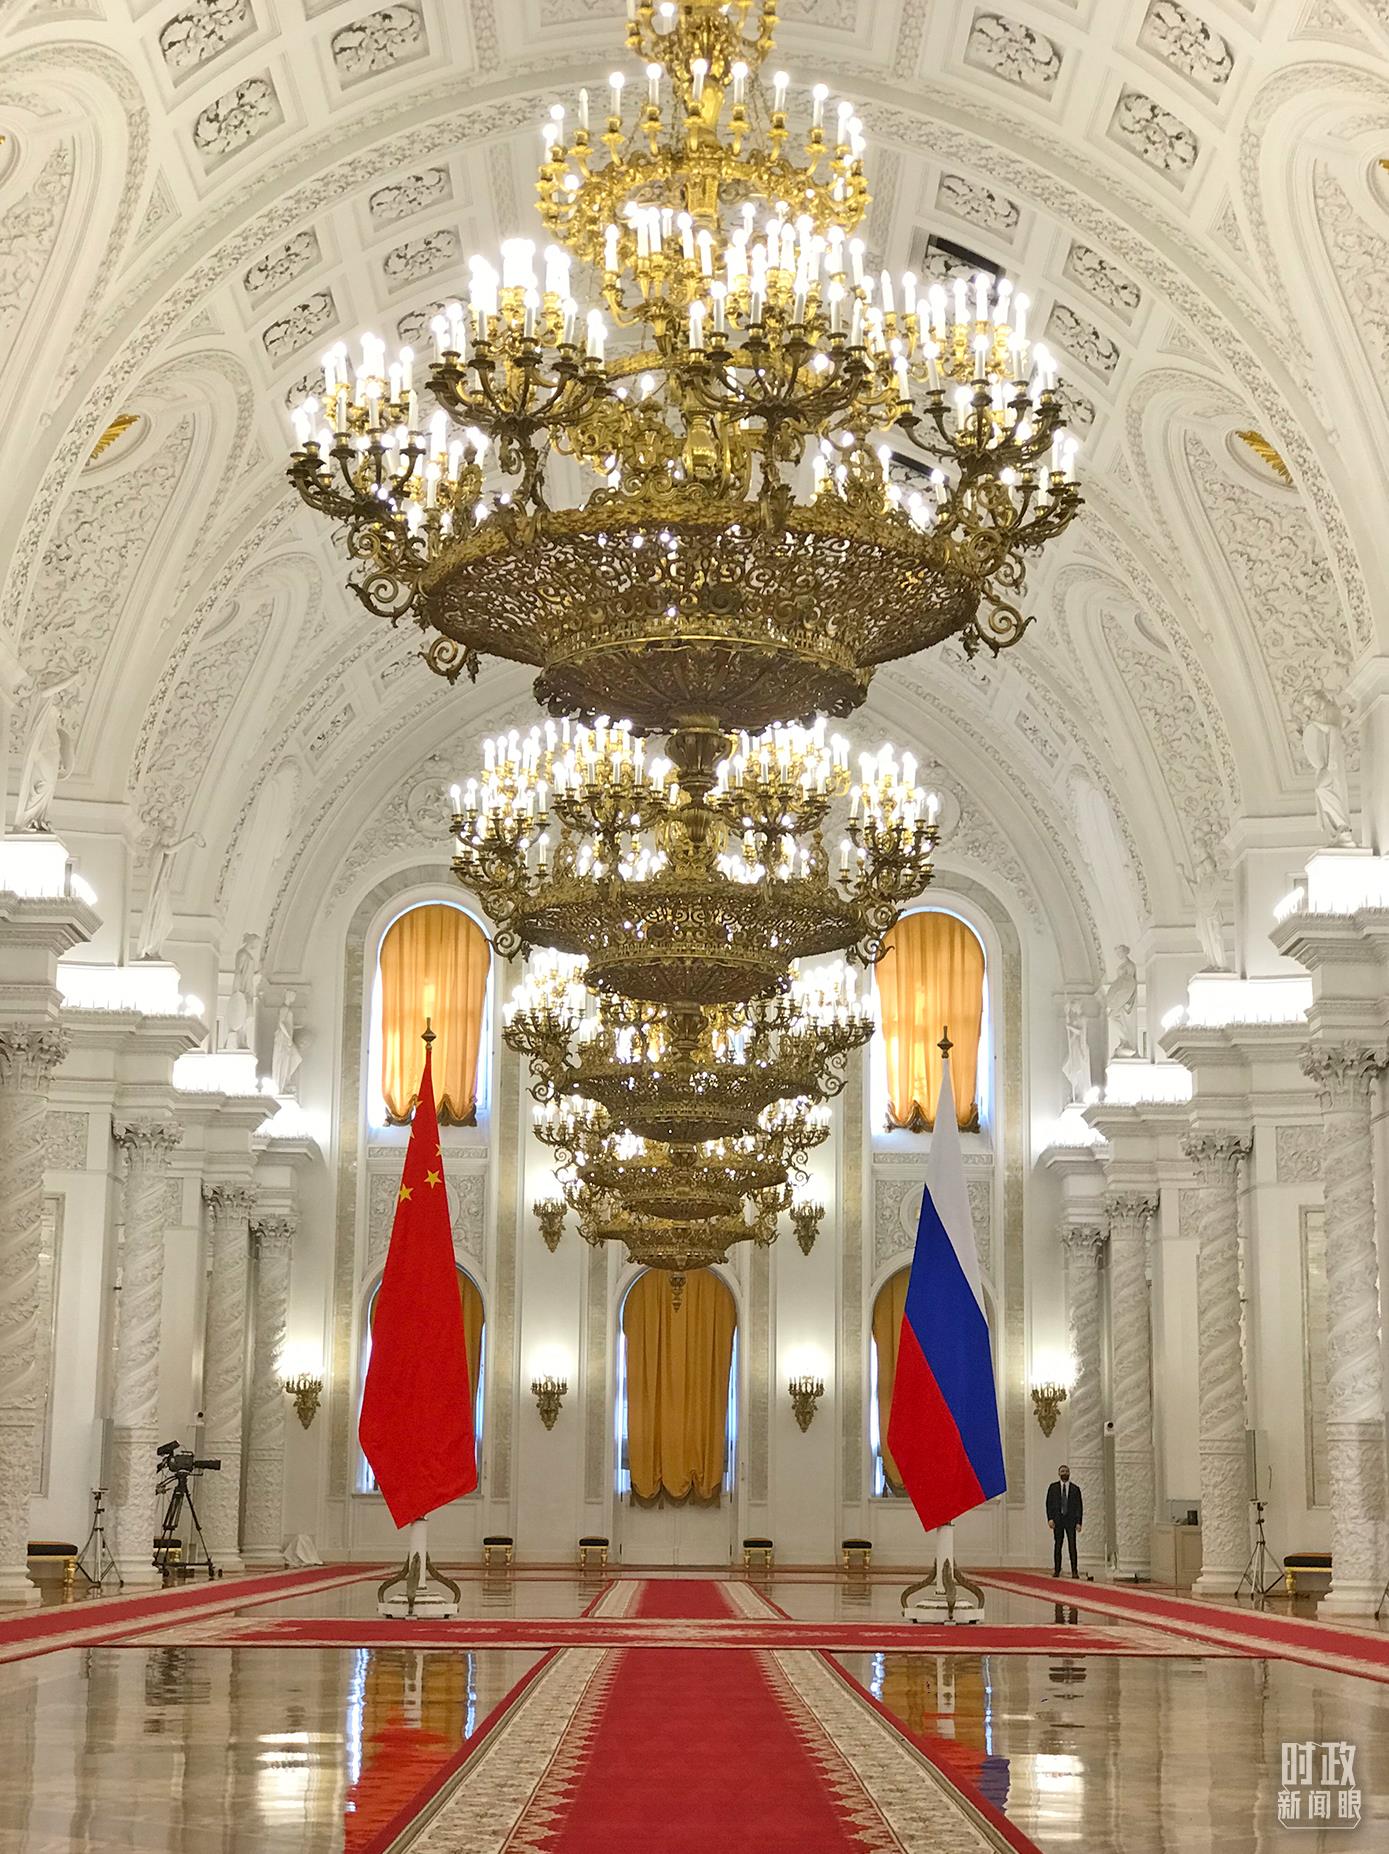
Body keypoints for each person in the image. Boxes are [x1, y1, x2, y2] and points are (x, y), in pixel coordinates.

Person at [1046, 1463, 1083, 1576]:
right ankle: (1057, 1570)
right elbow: (1049, 1504)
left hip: (1071, 1521)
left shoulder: (1075, 1489)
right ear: (1059, 1473)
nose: (1064, 1473)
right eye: (1062, 1471)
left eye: (1066, 1471)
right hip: (1058, 1520)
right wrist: (1050, 1519)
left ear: (1069, 1473)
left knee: (1072, 1545)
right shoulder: (1053, 1488)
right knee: (1058, 1545)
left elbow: (1079, 1506)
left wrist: (1079, 1522)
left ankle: (1074, 1571)